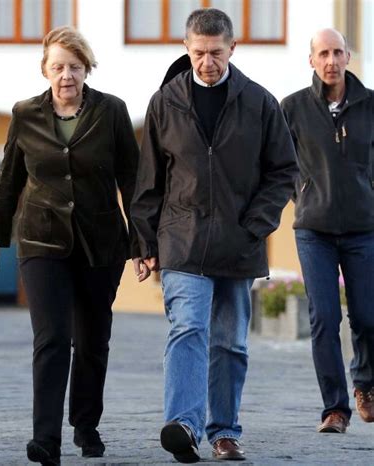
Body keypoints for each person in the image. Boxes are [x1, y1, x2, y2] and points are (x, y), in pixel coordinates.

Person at [131, 8, 297, 463]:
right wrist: (145, 245)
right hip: (181, 241)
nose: (208, 62)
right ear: (187, 48)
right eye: (200, 53)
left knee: (229, 343)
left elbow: (284, 172)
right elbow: (148, 183)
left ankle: (224, 431)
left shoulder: (260, 103)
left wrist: (255, 226)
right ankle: (183, 425)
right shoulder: (164, 103)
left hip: (238, 244)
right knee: (187, 328)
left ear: (233, 49)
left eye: (216, 53)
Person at [0, 26, 148, 465]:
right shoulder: (25, 114)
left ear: (86, 69)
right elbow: (8, 179)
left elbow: (130, 180)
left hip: (101, 244)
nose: (66, 75)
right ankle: (45, 440)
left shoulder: (112, 112)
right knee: (52, 338)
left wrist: (141, 243)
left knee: (92, 340)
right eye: (58, 67)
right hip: (40, 239)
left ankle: (86, 424)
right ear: (45, 70)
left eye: (75, 67)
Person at [281, 28, 374, 433]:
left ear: (348, 57)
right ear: (312, 60)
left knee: (368, 316)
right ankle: (335, 409)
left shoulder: (370, 106)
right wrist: (300, 196)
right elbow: (278, 163)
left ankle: (366, 385)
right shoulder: (293, 108)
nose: (331, 60)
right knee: (324, 318)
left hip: (364, 228)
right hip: (313, 229)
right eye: (324, 53)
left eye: (338, 52)